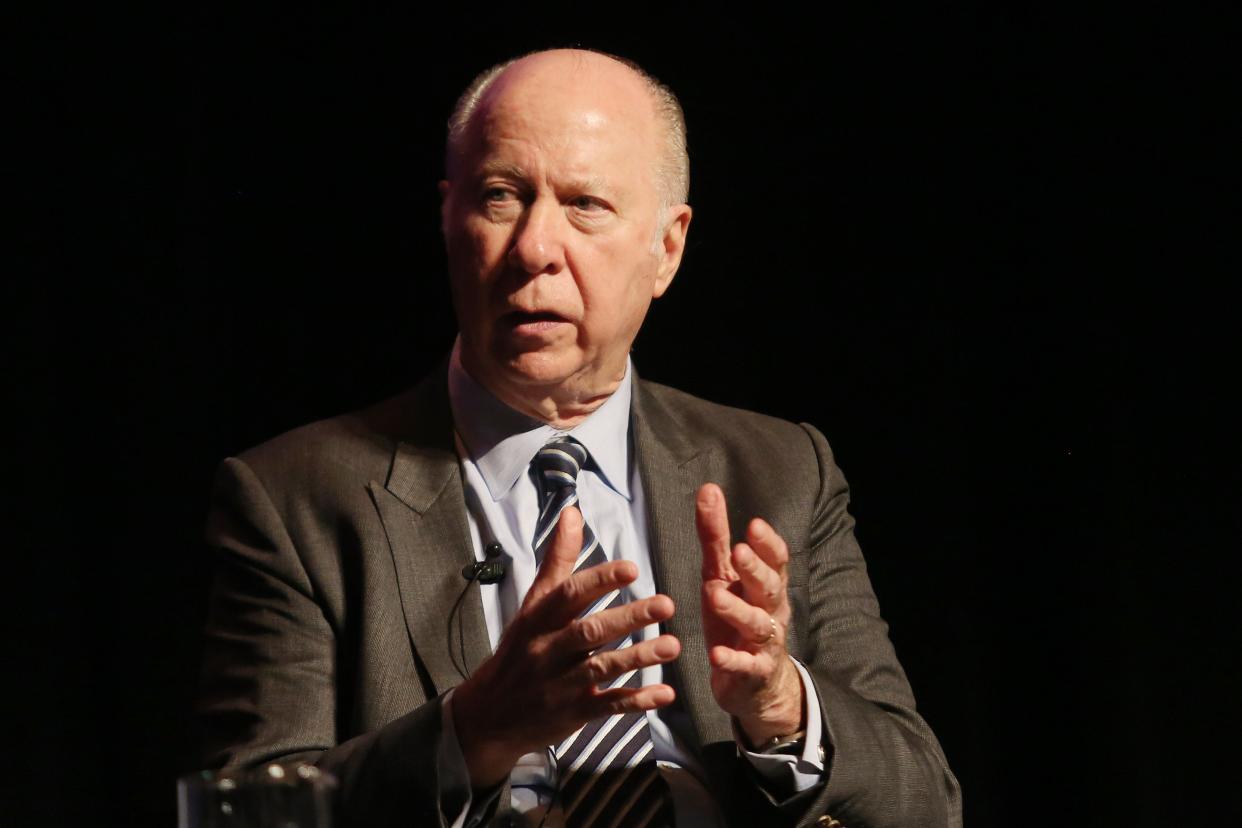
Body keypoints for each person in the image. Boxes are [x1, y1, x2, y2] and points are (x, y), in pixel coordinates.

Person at [197, 48, 962, 828]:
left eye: (586, 204)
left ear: (667, 248)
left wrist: (780, 705)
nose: (534, 249)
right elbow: (247, 811)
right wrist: (474, 731)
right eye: (501, 197)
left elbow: (925, 806)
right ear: (447, 219)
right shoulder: (294, 498)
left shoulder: (782, 470)